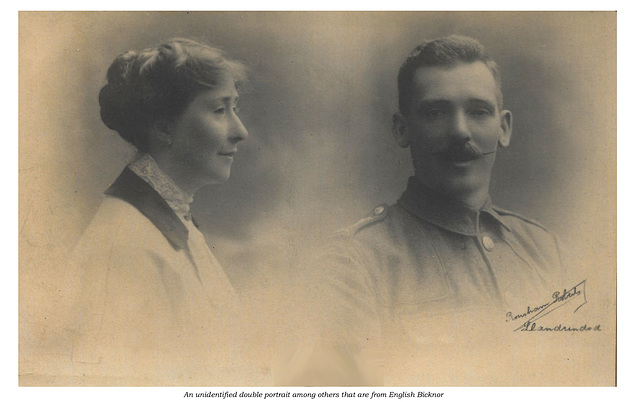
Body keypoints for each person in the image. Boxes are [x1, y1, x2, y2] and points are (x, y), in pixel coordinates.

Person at [296, 35, 567, 385]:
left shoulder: (545, 249)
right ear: (402, 129)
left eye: (478, 111)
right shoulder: (355, 262)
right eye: (436, 112)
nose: (459, 131)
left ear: (504, 127)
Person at [58, 38, 252, 385]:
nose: (241, 132)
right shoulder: (125, 246)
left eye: (235, 108)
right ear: (163, 127)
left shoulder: (176, 221)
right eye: (220, 110)